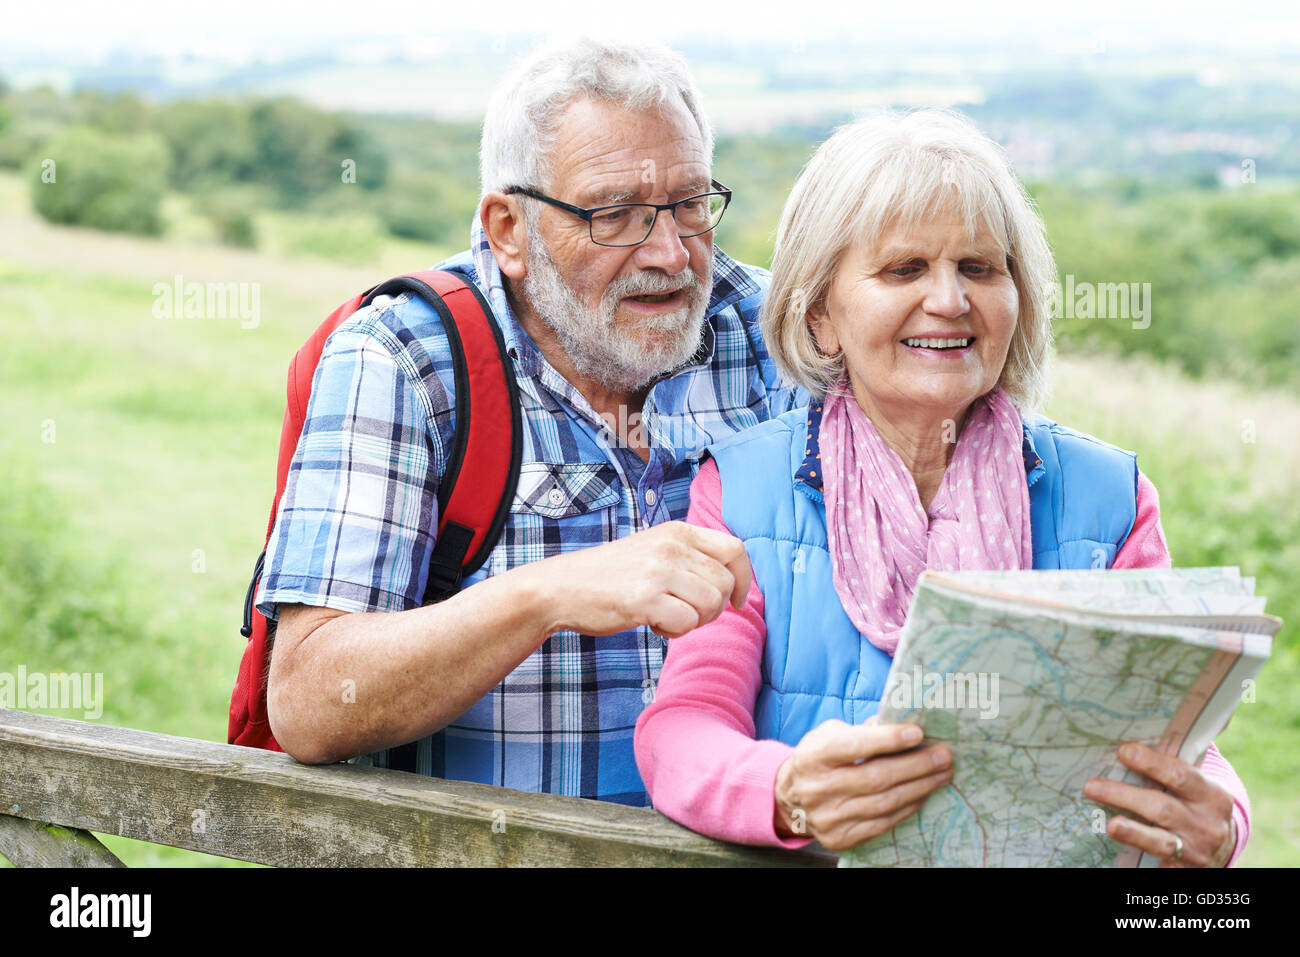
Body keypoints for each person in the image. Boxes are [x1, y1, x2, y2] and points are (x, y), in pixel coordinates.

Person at [634, 109, 1250, 866]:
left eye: (980, 269)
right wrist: (785, 787)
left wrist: (1223, 822)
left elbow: (1184, 746)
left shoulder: (1111, 497)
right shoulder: (741, 488)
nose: (951, 300)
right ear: (821, 315)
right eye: (904, 270)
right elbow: (682, 728)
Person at [255, 38, 803, 805]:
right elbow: (311, 700)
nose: (672, 253)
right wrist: (543, 595)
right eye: (617, 216)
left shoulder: (779, 335)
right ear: (509, 229)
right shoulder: (405, 358)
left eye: (689, 204)